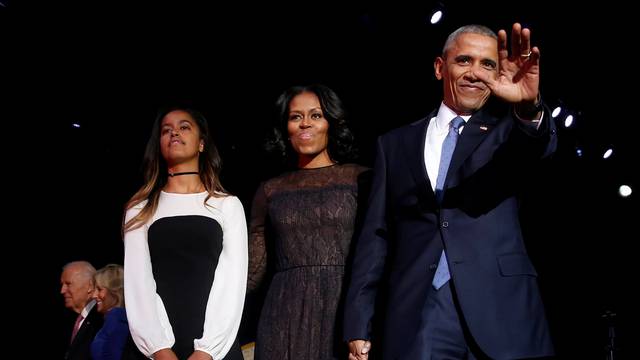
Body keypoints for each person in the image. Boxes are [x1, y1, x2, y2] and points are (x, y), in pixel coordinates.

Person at [344, 23, 556, 359]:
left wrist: (528, 109)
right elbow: (376, 236)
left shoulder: (507, 134)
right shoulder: (395, 144)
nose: (475, 73)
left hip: (501, 309)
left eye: (488, 65)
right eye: (464, 61)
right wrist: (358, 321)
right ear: (440, 67)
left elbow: (536, 144)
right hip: (421, 312)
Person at [248, 84, 370, 359]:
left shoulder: (361, 180)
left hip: (344, 313)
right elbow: (253, 271)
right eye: (295, 117)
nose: (305, 123)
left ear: (331, 123)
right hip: (283, 315)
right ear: (286, 127)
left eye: (316, 115)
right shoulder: (270, 190)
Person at [123, 107, 248, 360]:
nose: (174, 133)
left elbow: (232, 281)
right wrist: (159, 349)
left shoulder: (226, 205)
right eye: (166, 130)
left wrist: (207, 351)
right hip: (154, 350)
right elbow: (138, 282)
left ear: (201, 143)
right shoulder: (141, 208)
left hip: (214, 348)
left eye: (184, 127)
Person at [90, 264, 135, 360]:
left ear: (114, 291)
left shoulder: (117, 318)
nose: (93, 295)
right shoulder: (116, 318)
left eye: (99, 289)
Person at [60, 260, 104, 360]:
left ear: (90, 286)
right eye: (62, 284)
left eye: (68, 284)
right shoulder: (73, 320)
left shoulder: (100, 319)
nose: (62, 290)